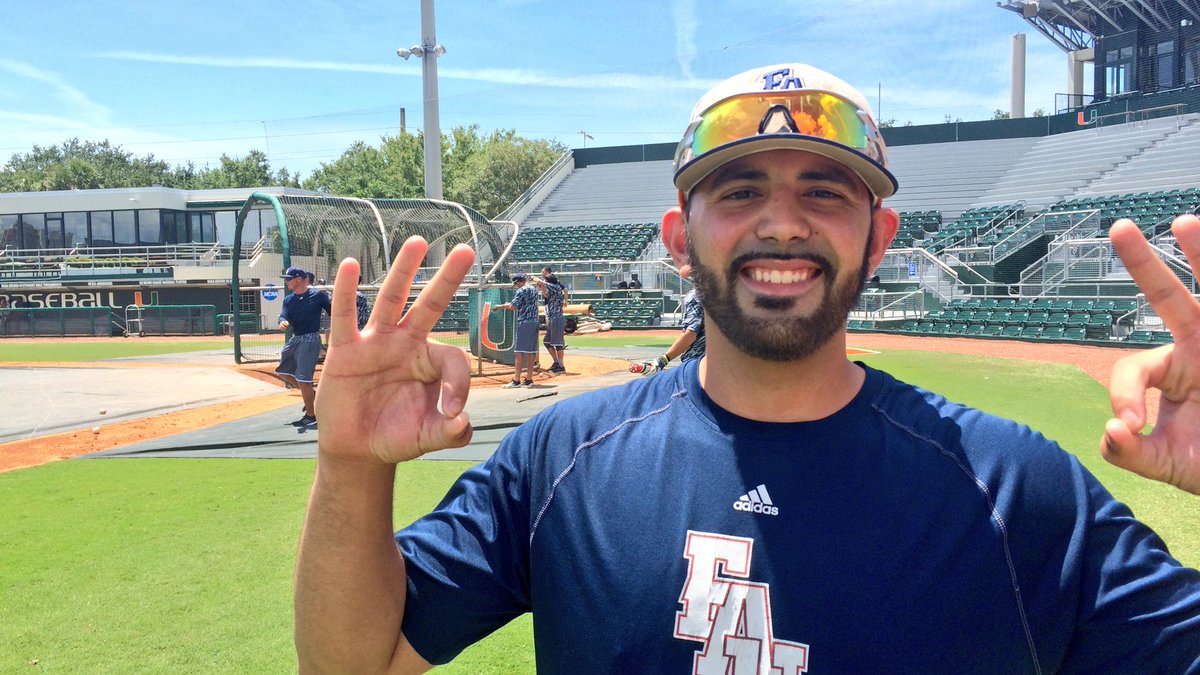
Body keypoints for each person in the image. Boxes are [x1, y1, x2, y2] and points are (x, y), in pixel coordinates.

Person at [295, 64, 1200, 673]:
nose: (782, 222)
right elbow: (354, 661)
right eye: (739, 191)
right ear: (678, 238)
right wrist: (349, 464)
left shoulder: (1016, 489)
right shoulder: (559, 460)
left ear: (878, 238)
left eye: (823, 190)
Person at [275, 266, 331, 427]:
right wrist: (282, 321)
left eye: (288, 279)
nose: (286, 282)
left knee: (303, 379)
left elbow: (333, 311)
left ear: (298, 279)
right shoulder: (288, 300)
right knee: (283, 371)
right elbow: (284, 314)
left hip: (311, 338)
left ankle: (311, 416)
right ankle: (312, 394)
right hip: (296, 338)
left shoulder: (317, 295)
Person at [644, 287, 705, 374]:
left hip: (698, 363)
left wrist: (663, 360)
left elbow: (690, 334)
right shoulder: (723, 294)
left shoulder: (696, 295)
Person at [493, 273, 539, 388]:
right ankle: (529, 379)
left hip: (525, 322)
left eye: (516, 283)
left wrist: (500, 306)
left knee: (519, 352)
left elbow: (513, 306)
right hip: (534, 321)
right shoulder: (533, 289)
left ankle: (516, 380)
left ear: (518, 282)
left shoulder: (521, 290)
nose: (516, 286)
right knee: (530, 352)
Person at [532, 271, 567, 374]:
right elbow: (545, 294)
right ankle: (556, 363)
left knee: (558, 344)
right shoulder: (552, 289)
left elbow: (540, 281)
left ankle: (561, 367)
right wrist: (542, 286)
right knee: (547, 342)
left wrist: (533, 277)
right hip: (553, 319)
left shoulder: (555, 287)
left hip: (557, 319)